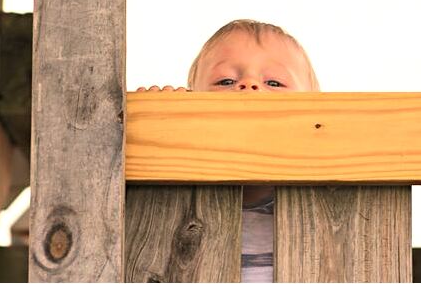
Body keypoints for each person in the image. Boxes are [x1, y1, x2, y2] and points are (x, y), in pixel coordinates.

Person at [137, 19, 320, 282]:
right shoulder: (168, 199)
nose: (249, 84)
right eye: (225, 80)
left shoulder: (326, 203)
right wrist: (155, 123)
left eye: (275, 83)